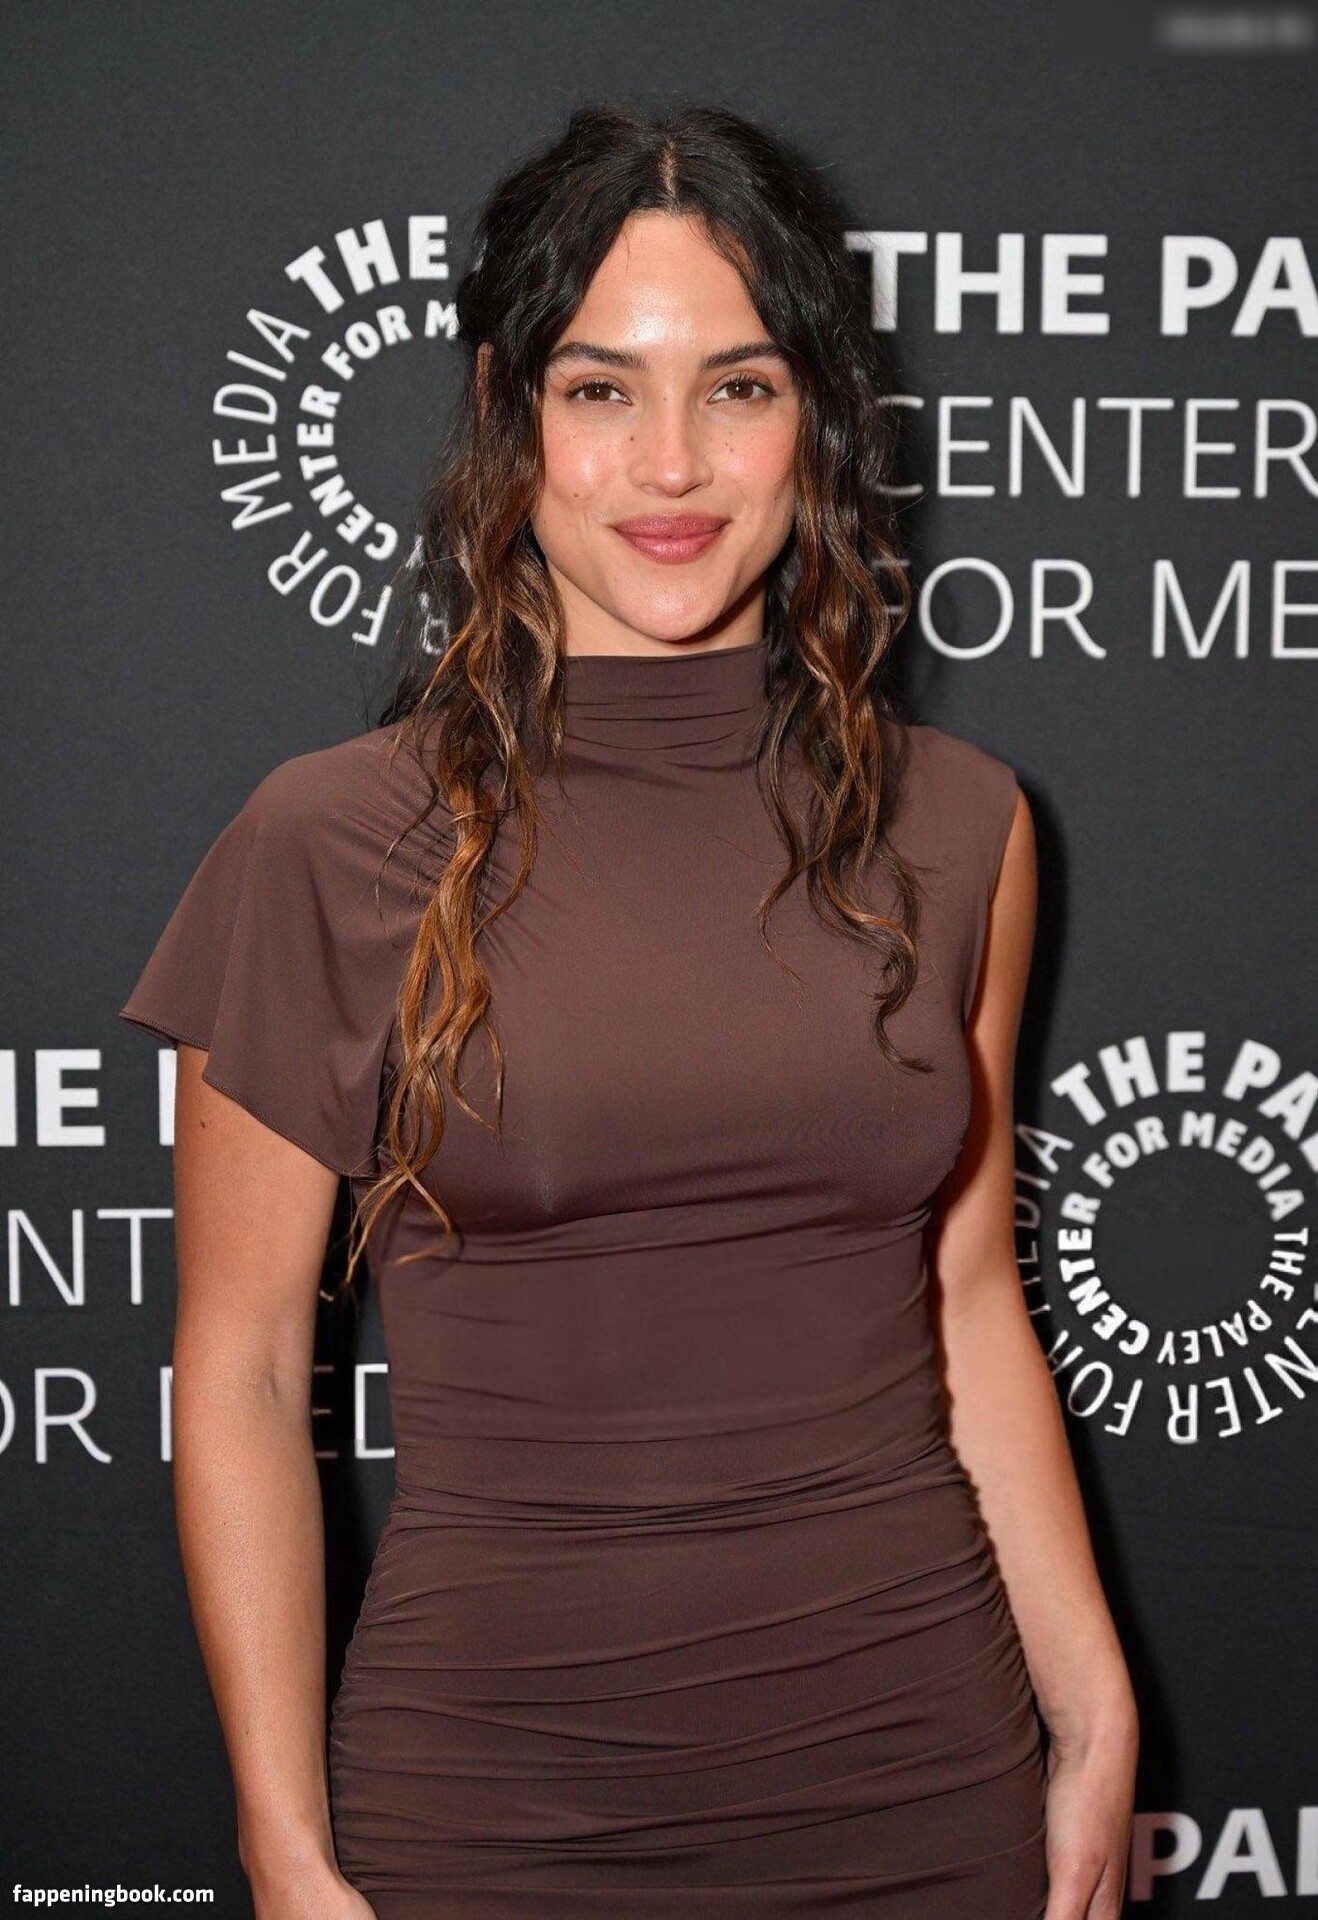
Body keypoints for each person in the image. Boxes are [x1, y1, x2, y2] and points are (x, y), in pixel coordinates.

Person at [120, 102, 1138, 1920]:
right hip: (489, 1798)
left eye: (738, 388)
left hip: (917, 1773)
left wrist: (1095, 1715)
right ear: (509, 411)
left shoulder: (961, 822)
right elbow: (249, 1372)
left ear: (815, 419)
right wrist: (283, 1844)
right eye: (601, 390)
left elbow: (968, 1298)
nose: (672, 463)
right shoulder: (330, 839)